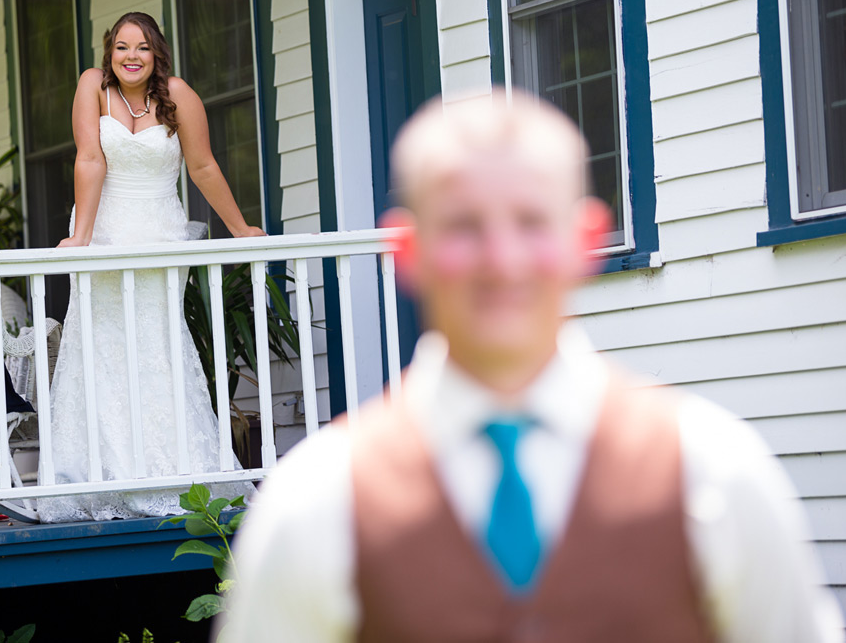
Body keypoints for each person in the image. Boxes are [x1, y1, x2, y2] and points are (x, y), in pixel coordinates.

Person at [221, 92, 844, 642]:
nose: (502, 259)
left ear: (585, 239)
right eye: (464, 225)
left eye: (531, 222)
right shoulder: (317, 500)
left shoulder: (711, 469)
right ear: (410, 251)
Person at [36, 12, 263, 522]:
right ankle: (105, 477)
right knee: (102, 348)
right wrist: (82, 238)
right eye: (121, 47)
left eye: (141, 47)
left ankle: (178, 468)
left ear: (157, 52)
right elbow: (90, 159)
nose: (130, 56)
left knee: (156, 345)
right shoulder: (93, 88)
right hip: (107, 232)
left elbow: (202, 166)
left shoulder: (178, 95)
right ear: (108, 53)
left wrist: (241, 228)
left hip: (160, 233)